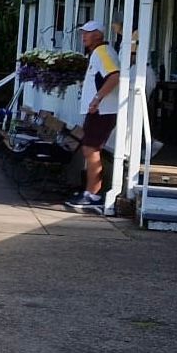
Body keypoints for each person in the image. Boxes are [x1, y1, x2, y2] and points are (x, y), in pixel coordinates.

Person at [66, 20, 120, 213]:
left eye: (88, 33)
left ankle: (93, 194)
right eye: (83, 33)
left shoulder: (103, 52)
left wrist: (97, 99)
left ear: (99, 34)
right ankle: (90, 192)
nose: (84, 36)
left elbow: (114, 76)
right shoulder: (97, 53)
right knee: (90, 150)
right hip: (98, 110)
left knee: (91, 149)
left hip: (102, 111)